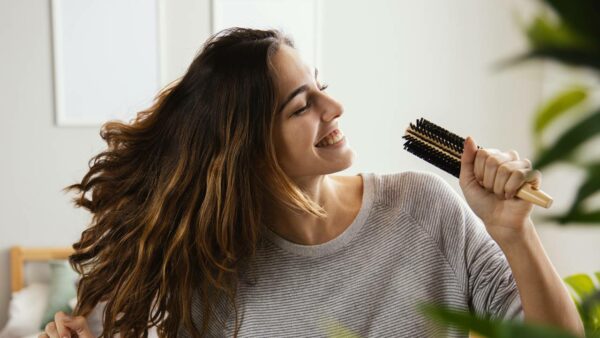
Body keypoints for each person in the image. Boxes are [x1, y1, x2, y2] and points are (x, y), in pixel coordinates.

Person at [40, 27, 584, 338]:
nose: (335, 107)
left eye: (321, 86)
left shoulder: (425, 208)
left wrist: (512, 231)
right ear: (246, 148)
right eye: (303, 106)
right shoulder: (196, 265)